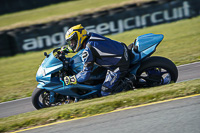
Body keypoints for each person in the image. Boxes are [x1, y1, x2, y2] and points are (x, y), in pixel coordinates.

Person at [63, 24, 132, 96]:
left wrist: (72, 79)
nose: (72, 44)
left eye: (73, 41)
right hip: (121, 48)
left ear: (79, 37)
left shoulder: (88, 50)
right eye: (71, 43)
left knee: (105, 92)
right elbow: (81, 47)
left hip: (119, 63)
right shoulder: (90, 36)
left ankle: (128, 83)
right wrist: (68, 50)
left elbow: (85, 74)